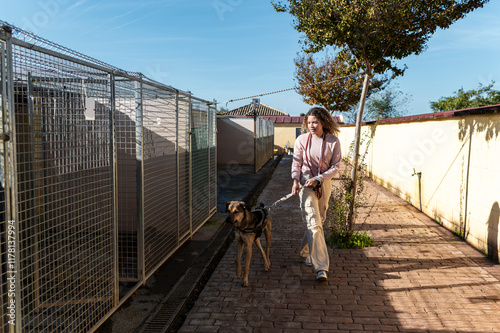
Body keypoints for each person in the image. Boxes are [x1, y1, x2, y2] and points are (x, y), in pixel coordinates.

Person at [291, 107, 341, 281]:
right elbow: (296, 163)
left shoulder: (333, 141)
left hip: (323, 182)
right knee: (313, 223)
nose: (311, 125)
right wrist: (296, 181)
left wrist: (319, 179)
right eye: (309, 122)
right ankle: (321, 267)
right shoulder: (301, 140)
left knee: (320, 221)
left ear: (323, 122)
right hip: (305, 183)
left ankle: (305, 251)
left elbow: (335, 167)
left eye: (315, 122)